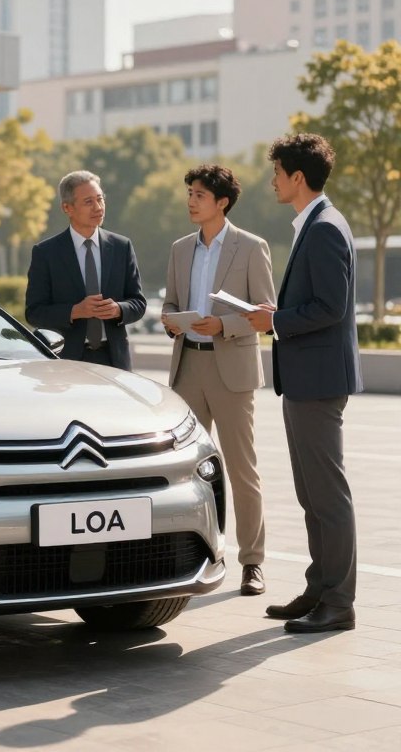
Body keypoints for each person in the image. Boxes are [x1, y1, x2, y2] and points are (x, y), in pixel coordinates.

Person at [243, 133, 362, 634]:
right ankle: (320, 589)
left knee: (327, 495)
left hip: (318, 381)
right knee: (311, 493)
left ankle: (339, 603)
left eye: (277, 173)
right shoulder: (313, 224)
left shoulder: (325, 228)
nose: (272, 181)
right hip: (306, 379)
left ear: (297, 176)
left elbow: (330, 308)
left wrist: (275, 319)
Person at [161, 165, 275, 597]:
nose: (191, 201)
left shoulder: (251, 247)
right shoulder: (179, 249)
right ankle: (194, 556)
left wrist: (223, 325)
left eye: (200, 195)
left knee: (242, 471)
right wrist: (172, 321)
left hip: (231, 370)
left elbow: (265, 313)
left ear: (222, 202)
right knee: (186, 471)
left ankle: (252, 563)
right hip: (187, 366)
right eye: (189, 193)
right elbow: (171, 300)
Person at [26, 170, 145, 370]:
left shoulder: (121, 247)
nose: (98, 207)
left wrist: (118, 309)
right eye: (89, 202)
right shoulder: (46, 253)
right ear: (67, 208)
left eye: (100, 199)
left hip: (114, 360)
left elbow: (138, 303)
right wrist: (75, 311)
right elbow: (34, 313)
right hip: (67, 360)